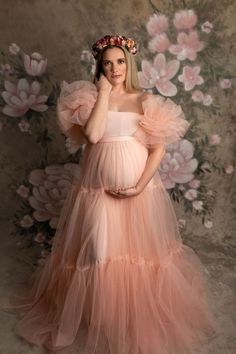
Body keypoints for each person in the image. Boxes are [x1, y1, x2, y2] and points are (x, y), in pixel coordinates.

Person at [6, 34, 218, 354]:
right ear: (100, 66)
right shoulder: (89, 99)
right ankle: (101, 316)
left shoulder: (144, 101)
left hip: (136, 193)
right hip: (96, 192)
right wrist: (103, 93)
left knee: (136, 257)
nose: (114, 68)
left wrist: (139, 186)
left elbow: (157, 150)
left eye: (120, 62)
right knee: (97, 253)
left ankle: (128, 317)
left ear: (129, 63)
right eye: (107, 63)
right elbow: (91, 136)